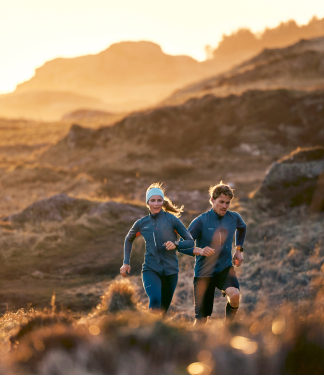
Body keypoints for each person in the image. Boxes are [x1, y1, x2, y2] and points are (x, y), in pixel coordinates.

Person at [120, 183, 194, 314]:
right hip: (150, 269)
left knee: (163, 310)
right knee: (155, 300)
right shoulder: (142, 223)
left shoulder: (172, 220)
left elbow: (190, 241)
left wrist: (176, 244)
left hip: (171, 271)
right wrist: (126, 262)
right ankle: (147, 332)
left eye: (159, 200)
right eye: (152, 200)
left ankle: (156, 331)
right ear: (147, 202)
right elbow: (128, 239)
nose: (156, 204)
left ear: (163, 201)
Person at [187, 182, 246, 324]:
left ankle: (228, 328)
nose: (225, 206)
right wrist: (200, 251)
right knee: (201, 321)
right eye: (221, 202)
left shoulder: (234, 218)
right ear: (212, 200)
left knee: (235, 295)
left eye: (227, 203)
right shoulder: (200, 221)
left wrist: (238, 250)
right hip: (204, 273)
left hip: (224, 268)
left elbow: (242, 228)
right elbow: (183, 246)